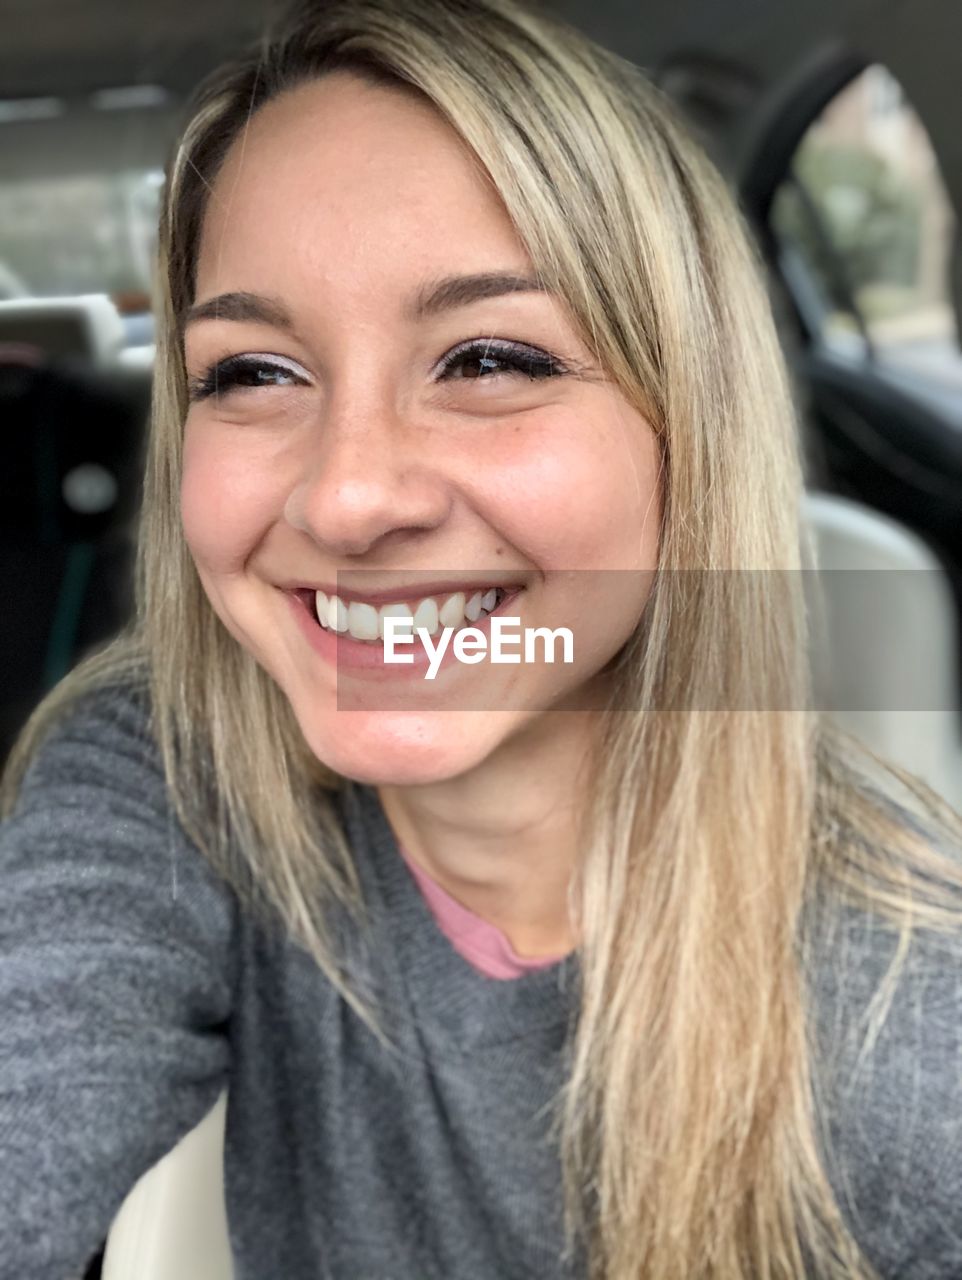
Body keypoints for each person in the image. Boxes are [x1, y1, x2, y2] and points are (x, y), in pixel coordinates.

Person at [1, 1, 960, 1277]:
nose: (345, 497)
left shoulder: (912, 1014)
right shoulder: (164, 765)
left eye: (489, 356)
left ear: (688, 426)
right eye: (253, 373)